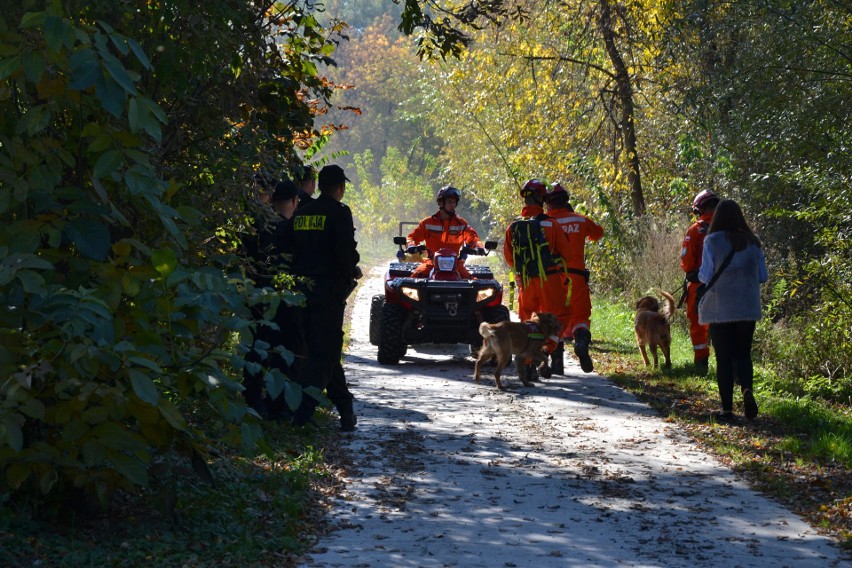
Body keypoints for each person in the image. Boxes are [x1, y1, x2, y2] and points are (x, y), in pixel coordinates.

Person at [286, 165, 362, 431]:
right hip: (329, 295)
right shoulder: (340, 213)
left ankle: (346, 411)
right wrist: (353, 266)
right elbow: (346, 254)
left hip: (301, 293)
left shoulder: (302, 213)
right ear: (340, 188)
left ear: (319, 187)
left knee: (323, 350)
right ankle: (303, 415)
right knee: (323, 354)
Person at [698, 199, 768, 423]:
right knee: (744, 354)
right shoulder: (753, 242)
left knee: (724, 359)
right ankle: (747, 390)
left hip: (721, 309)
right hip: (747, 308)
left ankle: (727, 410)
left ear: (717, 217)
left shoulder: (712, 241)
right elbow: (762, 277)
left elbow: (705, 276)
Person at [503, 179, 573, 379]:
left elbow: (509, 258)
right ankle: (547, 348)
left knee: (527, 323)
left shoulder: (513, 227)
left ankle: (527, 365)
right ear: (542, 199)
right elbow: (566, 254)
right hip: (549, 280)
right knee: (561, 316)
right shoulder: (551, 225)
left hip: (525, 282)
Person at [544, 182, 604, 373]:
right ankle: (581, 341)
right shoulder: (580, 220)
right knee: (580, 317)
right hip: (577, 278)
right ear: (566, 201)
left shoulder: (545, 222)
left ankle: (556, 363)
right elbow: (598, 234)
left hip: (554, 279)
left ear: (548, 203)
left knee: (555, 319)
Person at [405, 186, 484, 280]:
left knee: (474, 284)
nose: (453, 205)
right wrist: (411, 245)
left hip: (455, 264)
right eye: (450, 202)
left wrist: (479, 247)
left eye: (454, 202)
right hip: (431, 262)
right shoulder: (427, 223)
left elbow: (473, 238)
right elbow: (412, 237)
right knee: (413, 280)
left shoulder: (462, 224)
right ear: (441, 203)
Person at [681, 189, 721, 375]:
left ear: (701, 208)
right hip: (728, 286)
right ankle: (729, 365)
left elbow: (687, 263)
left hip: (700, 285)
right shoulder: (732, 229)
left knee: (698, 324)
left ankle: (701, 364)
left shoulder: (696, 230)